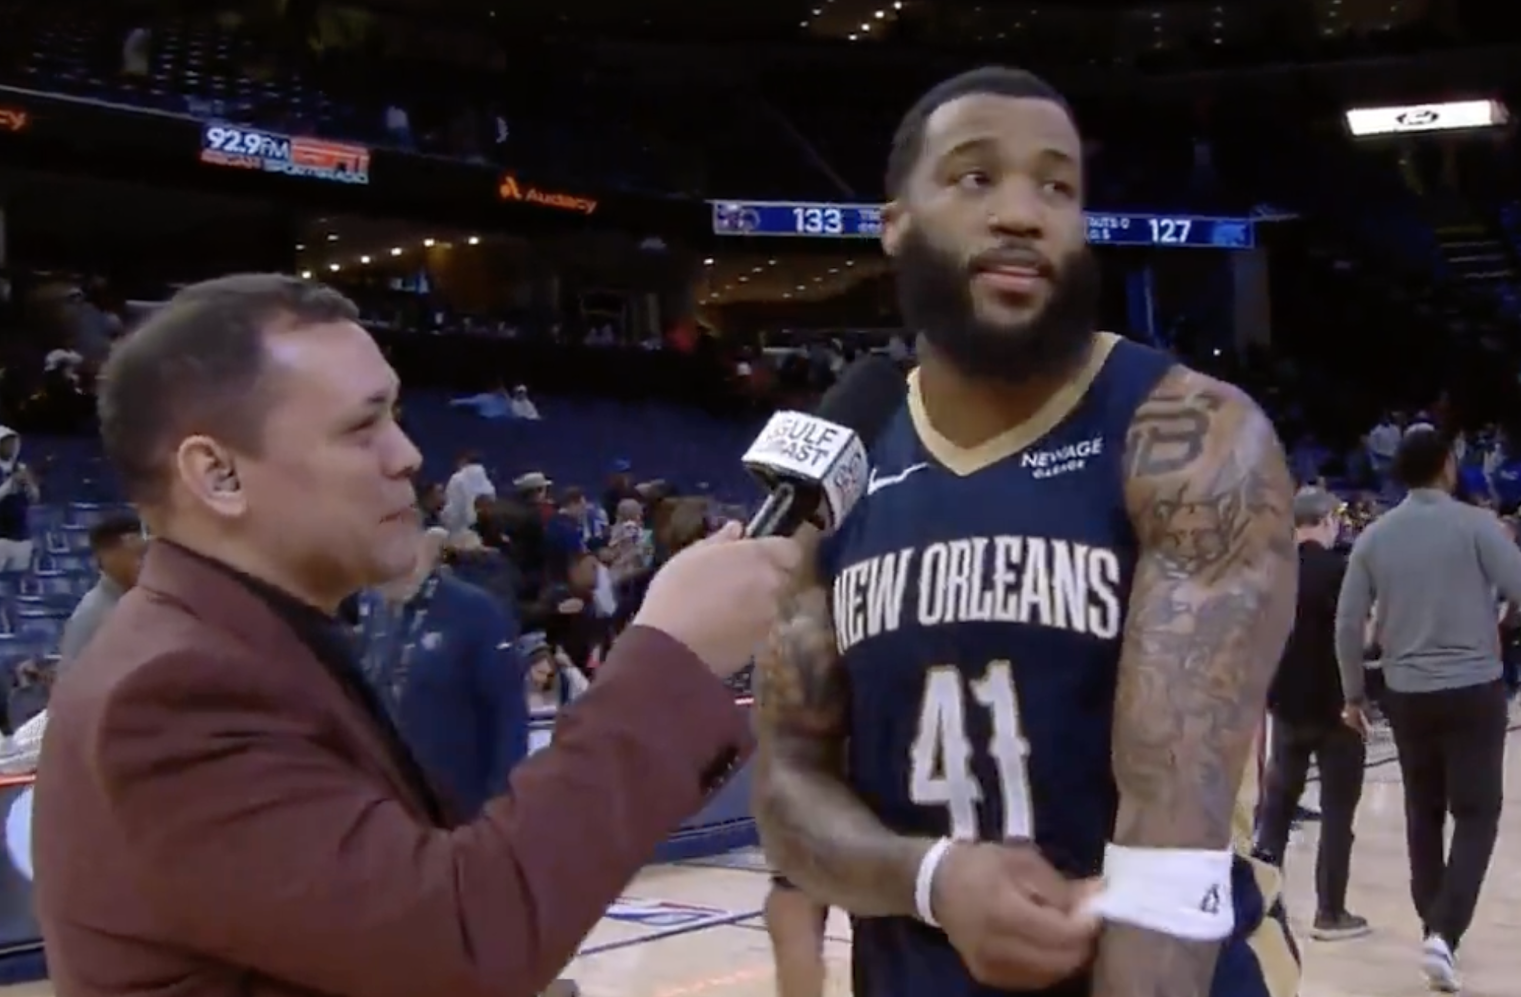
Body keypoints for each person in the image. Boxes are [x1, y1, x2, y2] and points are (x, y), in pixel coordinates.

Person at [34, 273, 802, 997]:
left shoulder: (246, 641)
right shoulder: (173, 692)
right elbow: (459, 939)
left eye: (396, 416)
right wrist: (671, 656)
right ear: (218, 475)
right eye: (361, 426)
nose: (407, 455)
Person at [751, 67, 1300, 997]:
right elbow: (787, 787)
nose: (1021, 213)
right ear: (896, 223)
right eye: (976, 178)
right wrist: (930, 879)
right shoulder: (840, 461)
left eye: (1056, 185)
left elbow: (1171, 837)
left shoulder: (1185, 435)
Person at [1335, 425, 1521, 992]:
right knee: (1477, 813)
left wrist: (1353, 694)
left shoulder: (1374, 537)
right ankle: (1444, 933)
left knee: (1424, 813)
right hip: (1474, 688)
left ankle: (1434, 931)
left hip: (1407, 692)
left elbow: (1348, 623)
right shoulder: (1477, 525)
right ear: (1447, 466)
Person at [1255, 488, 1367, 940]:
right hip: (1336, 709)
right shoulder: (1341, 571)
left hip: (1285, 707)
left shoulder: (1270, 572)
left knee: (1277, 812)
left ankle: (1263, 905)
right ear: (1324, 521)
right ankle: (1330, 912)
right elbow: (1357, 636)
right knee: (1338, 815)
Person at [354, 527, 526, 820]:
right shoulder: (374, 607)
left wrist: (502, 804)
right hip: (392, 802)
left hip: (461, 803)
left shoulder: (476, 610)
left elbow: (509, 713)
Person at [57, 514, 146, 666]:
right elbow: (71, 673)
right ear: (106, 556)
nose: (142, 563)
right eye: (136, 555)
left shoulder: (154, 600)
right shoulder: (91, 612)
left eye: (144, 554)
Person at [0, 427, 39, 571]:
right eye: (6, 443)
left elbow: (34, 498)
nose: (10, 447)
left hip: (21, 537)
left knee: (18, 577)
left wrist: (29, 484)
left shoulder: (21, 468)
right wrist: (10, 483)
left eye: (12, 443)